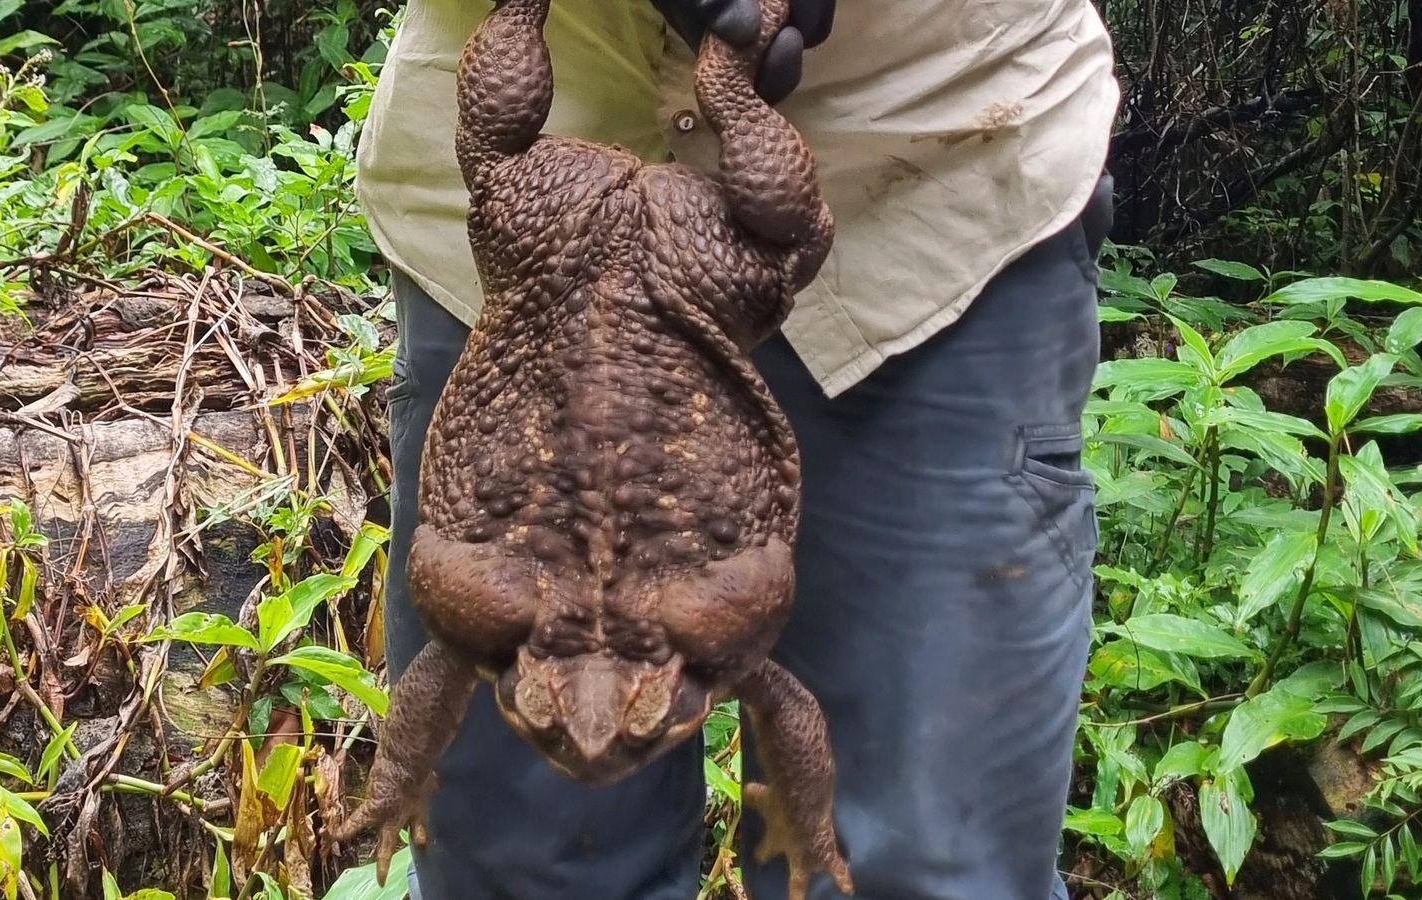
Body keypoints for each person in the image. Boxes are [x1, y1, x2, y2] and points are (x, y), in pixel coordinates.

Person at [352, 0, 1121, 894]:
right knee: (514, 868)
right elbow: (770, 679)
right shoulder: (618, 629)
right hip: (556, 244)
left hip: (924, 179)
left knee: (916, 862)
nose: (592, 746)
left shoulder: (548, 625)